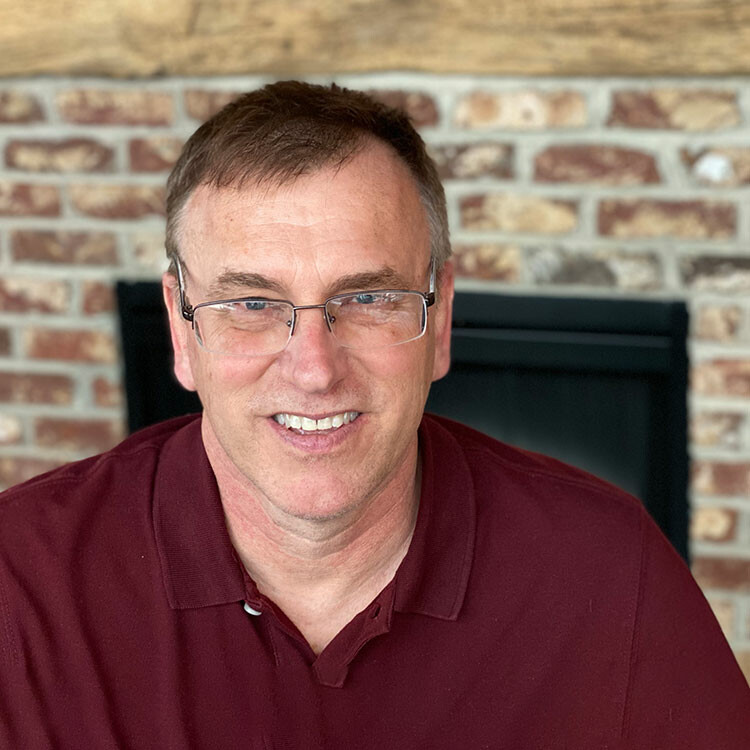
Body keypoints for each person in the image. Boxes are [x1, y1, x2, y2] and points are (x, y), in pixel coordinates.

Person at [0, 81, 748, 749]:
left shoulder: (609, 574)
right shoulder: (22, 583)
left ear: (441, 319)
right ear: (180, 328)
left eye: (368, 298)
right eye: (251, 304)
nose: (314, 369)